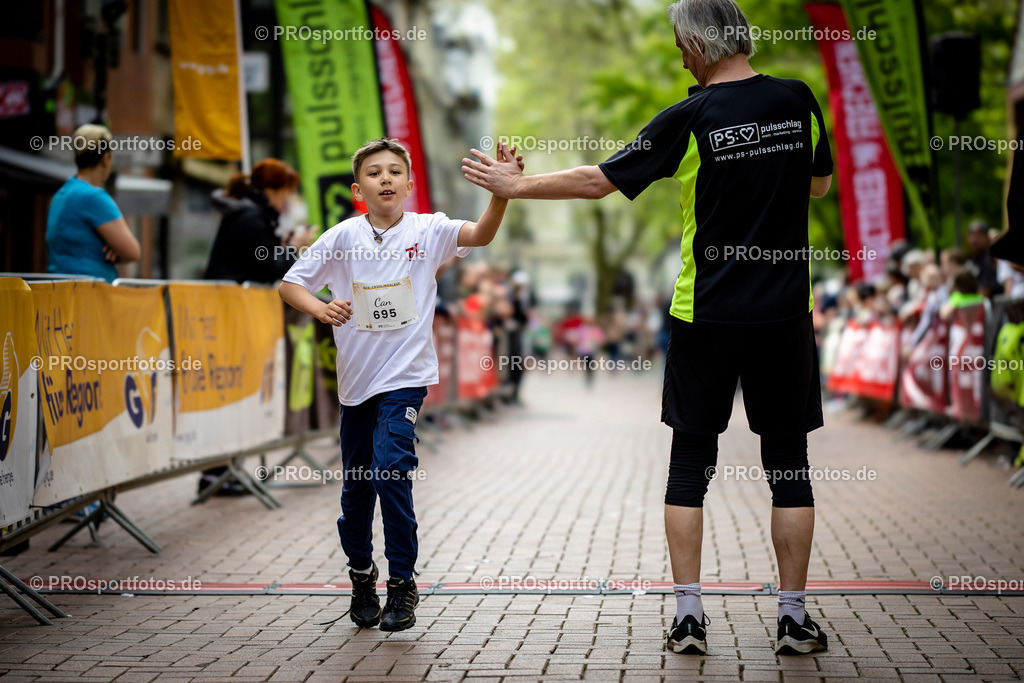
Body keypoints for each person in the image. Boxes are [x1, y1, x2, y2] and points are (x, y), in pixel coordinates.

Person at [462, 0, 832, 656]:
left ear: (698, 41)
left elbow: (595, 181)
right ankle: (794, 617)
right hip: (784, 312)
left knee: (691, 460)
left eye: (680, 45)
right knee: (789, 462)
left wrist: (512, 187)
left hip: (706, 312)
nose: (677, 56)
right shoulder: (799, 99)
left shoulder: (687, 119)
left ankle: (689, 616)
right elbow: (821, 186)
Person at [279, 138, 517, 632]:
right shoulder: (342, 236)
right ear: (357, 188)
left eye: (394, 172)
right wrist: (321, 308)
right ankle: (362, 575)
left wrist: (502, 193)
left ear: (409, 185)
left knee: (392, 471)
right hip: (356, 384)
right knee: (355, 490)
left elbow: (481, 235)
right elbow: (290, 284)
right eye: (373, 173)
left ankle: (402, 585)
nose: (384, 179)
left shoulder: (429, 230)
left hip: (406, 379)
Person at [196, 159, 315, 497]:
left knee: (234, 392)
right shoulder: (250, 218)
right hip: (228, 316)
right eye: (285, 195)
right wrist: (297, 249)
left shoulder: (250, 215)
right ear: (272, 190)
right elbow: (266, 268)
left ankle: (225, 469)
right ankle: (215, 472)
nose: (286, 203)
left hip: (233, 315)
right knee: (226, 393)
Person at [46, 124, 140, 281]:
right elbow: (133, 252)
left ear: (76, 158)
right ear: (106, 159)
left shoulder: (61, 195)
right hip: (90, 294)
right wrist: (115, 249)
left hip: (59, 291)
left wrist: (115, 247)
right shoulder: (94, 197)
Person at [966, 219, 1001, 298]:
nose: (974, 239)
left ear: (987, 237)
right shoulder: (973, 260)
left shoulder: (989, 259)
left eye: (978, 234)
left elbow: (984, 293)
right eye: (971, 234)